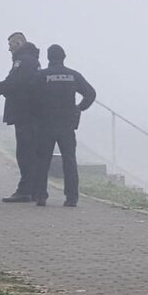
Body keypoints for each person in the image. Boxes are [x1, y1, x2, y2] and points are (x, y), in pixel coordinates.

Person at [30, 44, 96, 207]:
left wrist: (36, 114)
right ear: (64, 57)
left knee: (42, 160)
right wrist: (79, 108)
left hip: (45, 123)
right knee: (69, 160)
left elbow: (31, 97)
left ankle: (40, 195)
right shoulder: (73, 75)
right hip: (67, 124)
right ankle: (71, 197)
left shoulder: (41, 75)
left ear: (48, 57)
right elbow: (90, 93)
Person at [0, 32, 41, 202]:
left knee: (25, 154)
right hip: (31, 113)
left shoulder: (22, 61)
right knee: (31, 153)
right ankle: (35, 189)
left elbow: (14, 84)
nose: (9, 49)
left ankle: (25, 190)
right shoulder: (33, 61)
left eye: (11, 45)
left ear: (19, 43)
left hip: (24, 113)